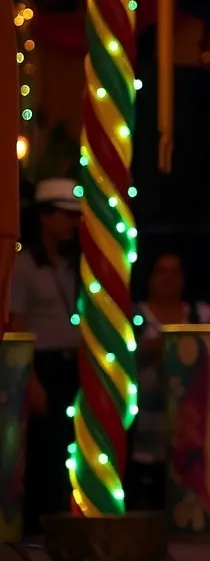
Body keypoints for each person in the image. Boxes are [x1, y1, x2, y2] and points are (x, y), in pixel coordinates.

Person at [11, 178, 82, 534]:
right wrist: (31, 378)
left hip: (75, 365)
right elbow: (17, 326)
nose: (72, 224)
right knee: (45, 450)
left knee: (70, 446)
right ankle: (40, 527)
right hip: (44, 365)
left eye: (75, 216)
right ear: (44, 216)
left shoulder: (74, 264)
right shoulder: (25, 265)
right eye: (65, 215)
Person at [129, 252, 210, 508]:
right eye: (162, 271)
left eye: (175, 272)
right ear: (149, 277)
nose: (169, 278)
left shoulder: (204, 315)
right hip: (145, 431)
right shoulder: (133, 316)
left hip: (194, 432)